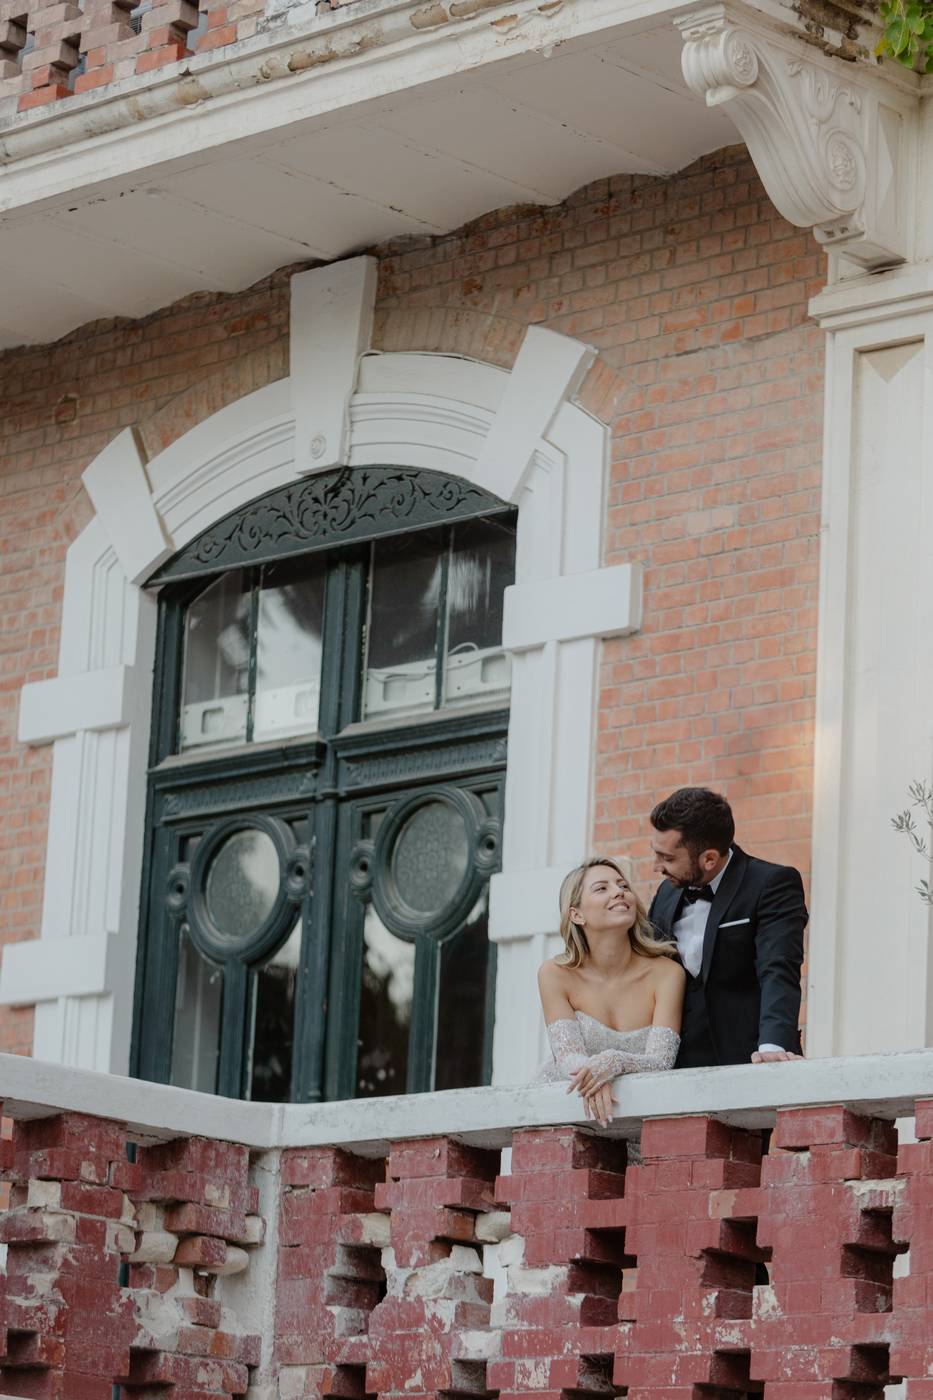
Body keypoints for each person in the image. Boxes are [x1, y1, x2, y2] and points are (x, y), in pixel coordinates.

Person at [648, 786, 807, 1069]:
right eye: (657, 854)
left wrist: (773, 1047)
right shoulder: (666, 893)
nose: (656, 867)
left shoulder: (772, 884)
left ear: (709, 859)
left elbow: (778, 968)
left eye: (668, 858)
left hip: (749, 1060)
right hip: (677, 1066)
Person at [537, 857, 685, 1126]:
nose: (619, 892)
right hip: (567, 1112)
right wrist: (595, 1076)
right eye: (601, 888)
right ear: (576, 915)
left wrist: (613, 1063)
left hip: (642, 1118)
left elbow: (661, 1061)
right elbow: (567, 1056)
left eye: (623, 886)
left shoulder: (668, 974)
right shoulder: (554, 974)